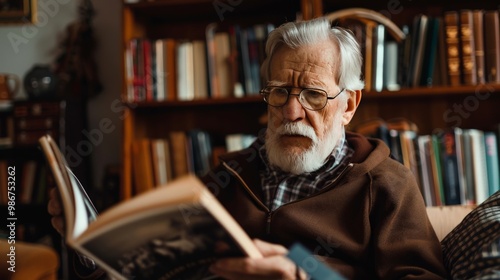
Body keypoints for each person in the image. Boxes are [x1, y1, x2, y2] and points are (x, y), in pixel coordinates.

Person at [48, 16, 447, 279]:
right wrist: (91, 246)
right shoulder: (229, 174)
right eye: (279, 92)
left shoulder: (386, 183)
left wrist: (304, 272)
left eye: (312, 94)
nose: (292, 110)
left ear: (349, 105)